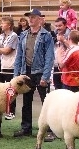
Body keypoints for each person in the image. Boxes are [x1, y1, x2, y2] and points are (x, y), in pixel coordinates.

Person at [13, 9, 54, 137]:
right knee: (26, 102)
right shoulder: (23, 35)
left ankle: (50, 130)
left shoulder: (46, 35)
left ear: (40, 19)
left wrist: (46, 76)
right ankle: (26, 128)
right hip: (27, 72)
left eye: (33, 17)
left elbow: (49, 57)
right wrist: (16, 75)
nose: (30, 19)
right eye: (29, 17)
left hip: (40, 72)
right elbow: (19, 56)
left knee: (45, 102)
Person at [0, 16, 18, 120]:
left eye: (3, 23)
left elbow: (8, 51)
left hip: (9, 65)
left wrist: (0, 49)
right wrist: (1, 49)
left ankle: (11, 111)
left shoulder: (14, 36)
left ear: (9, 25)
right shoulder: (0, 36)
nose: (1, 25)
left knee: (10, 88)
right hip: (0, 63)